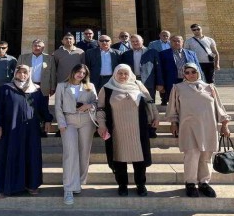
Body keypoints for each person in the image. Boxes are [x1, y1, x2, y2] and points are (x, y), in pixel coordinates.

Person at [166, 62, 231, 198]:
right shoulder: (178, 88)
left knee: (206, 155)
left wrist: (225, 124)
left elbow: (218, 107)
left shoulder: (209, 87)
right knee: (191, 154)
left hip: (208, 126)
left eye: (193, 72)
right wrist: (173, 122)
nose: (190, 75)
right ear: (183, 74)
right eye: (187, 72)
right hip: (188, 126)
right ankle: (190, 183)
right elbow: (173, 108)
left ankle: (204, 182)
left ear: (198, 72)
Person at [96, 64, 159, 197]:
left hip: (137, 130)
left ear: (130, 74)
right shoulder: (107, 88)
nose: (123, 76)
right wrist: (101, 124)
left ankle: (141, 185)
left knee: (139, 160)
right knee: (119, 159)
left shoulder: (138, 85)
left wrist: (155, 117)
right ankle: (122, 185)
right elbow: (100, 108)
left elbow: (150, 102)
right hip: (117, 130)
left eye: (125, 73)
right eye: (120, 73)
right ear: (115, 74)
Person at [0, 65, 52, 198]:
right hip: (9, 131)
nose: (22, 75)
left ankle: (31, 185)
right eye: (20, 72)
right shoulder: (6, 88)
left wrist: (47, 120)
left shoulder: (36, 90)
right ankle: (4, 187)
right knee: (8, 155)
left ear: (29, 74)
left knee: (31, 156)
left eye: (25, 72)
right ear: (15, 73)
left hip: (31, 131)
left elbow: (43, 109)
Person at [54, 64, 98, 205]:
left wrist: (89, 106)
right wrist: (61, 124)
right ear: (73, 72)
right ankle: (68, 187)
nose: (80, 75)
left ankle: (78, 181)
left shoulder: (89, 86)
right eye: (78, 72)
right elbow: (58, 106)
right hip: (69, 120)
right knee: (70, 152)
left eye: (83, 73)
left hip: (86, 120)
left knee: (84, 151)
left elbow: (97, 103)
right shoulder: (62, 86)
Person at [17, 39, 57, 137]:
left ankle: (42, 129)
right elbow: (17, 72)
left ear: (43, 48)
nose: (37, 47)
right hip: (27, 86)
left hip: (42, 86)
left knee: (43, 107)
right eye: (35, 45)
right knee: (28, 107)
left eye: (39, 46)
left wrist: (52, 87)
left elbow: (53, 74)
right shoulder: (23, 57)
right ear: (32, 46)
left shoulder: (49, 58)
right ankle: (30, 129)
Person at [158, 35, 202, 106]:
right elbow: (160, 70)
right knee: (174, 102)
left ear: (182, 42)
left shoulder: (191, 53)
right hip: (172, 82)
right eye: (174, 41)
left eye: (178, 41)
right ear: (170, 42)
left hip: (188, 81)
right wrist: (160, 83)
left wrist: (201, 81)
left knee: (189, 101)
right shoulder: (163, 54)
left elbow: (198, 68)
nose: (176, 43)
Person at [120, 35, 162, 99]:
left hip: (148, 82)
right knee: (135, 102)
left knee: (149, 104)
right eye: (133, 41)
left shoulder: (152, 52)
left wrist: (160, 83)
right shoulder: (126, 54)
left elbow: (158, 68)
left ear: (142, 41)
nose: (135, 43)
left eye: (137, 41)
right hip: (132, 82)